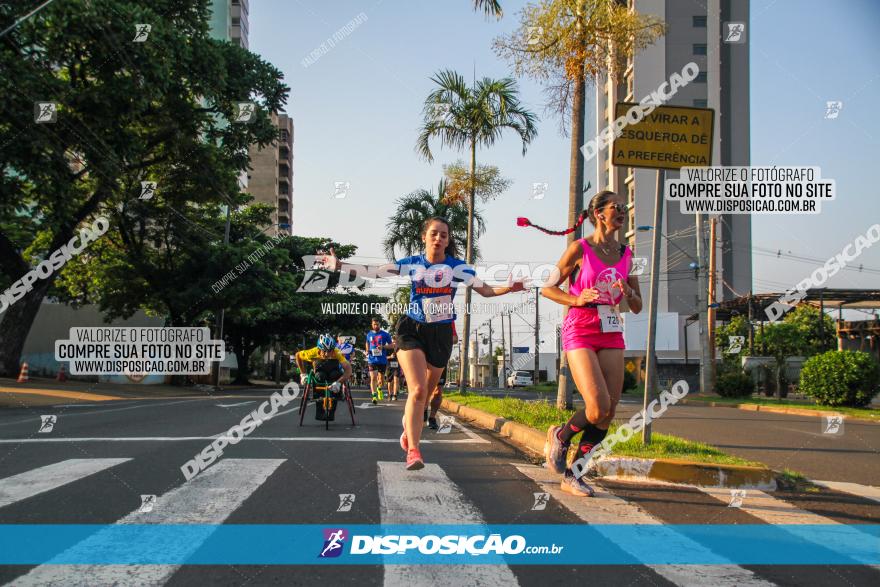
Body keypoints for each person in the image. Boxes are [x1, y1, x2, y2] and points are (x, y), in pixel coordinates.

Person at [319, 217, 524, 470]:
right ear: (424, 237)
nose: (439, 238)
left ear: (448, 241)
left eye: (444, 235)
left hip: (440, 334)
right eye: (434, 234)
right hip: (411, 330)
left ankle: (409, 426)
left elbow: (487, 291)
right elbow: (375, 272)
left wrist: (509, 288)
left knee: (425, 394)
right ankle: (414, 450)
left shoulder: (458, 267)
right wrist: (340, 265)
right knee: (416, 390)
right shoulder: (413, 263)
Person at [519, 190, 642, 497]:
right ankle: (561, 435)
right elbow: (548, 289)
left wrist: (628, 291)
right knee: (596, 406)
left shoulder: (629, 255)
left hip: (611, 329)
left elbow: (638, 305)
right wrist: (577, 298)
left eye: (624, 206)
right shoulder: (580, 248)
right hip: (581, 328)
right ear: (599, 214)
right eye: (616, 206)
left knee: (608, 412)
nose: (622, 210)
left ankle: (575, 474)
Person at [295, 334, 353, 416]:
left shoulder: (337, 353)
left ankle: (334, 402)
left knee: (335, 374)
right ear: (319, 348)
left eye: (329, 351)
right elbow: (298, 355)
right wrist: (303, 374)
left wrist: (339, 383)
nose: (326, 354)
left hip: (334, 374)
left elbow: (348, 369)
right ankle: (320, 407)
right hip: (320, 373)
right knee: (319, 376)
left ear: (333, 349)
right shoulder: (313, 352)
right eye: (324, 351)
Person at [425, 321, 457, 429]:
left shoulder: (447, 319)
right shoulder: (422, 314)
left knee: (438, 391)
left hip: (439, 358)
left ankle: (432, 417)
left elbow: (455, 338)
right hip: (423, 358)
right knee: (421, 389)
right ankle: (423, 408)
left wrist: (441, 338)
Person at [366, 318, 393, 404]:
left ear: (379, 324)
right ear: (372, 325)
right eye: (374, 324)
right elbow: (367, 342)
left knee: (381, 380)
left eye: (377, 324)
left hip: (382, 360)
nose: (376, 326)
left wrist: (383, 347)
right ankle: (374, 396)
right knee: (373, 378)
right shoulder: (369, 334)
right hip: (372, 359)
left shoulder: (385, 334)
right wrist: (367, 350)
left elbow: (392, 345)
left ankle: (379, 388)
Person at [386, 336, 402, 401]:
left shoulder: (400, 348)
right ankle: (390, 394)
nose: (394, 343)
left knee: (396, 380)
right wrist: (390, 356)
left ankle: (395, 395)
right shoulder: (388, 348)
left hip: (397, 366)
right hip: (389, 366)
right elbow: (384, 357)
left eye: (395, 342)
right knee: (389, 381)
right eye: (393, 342)